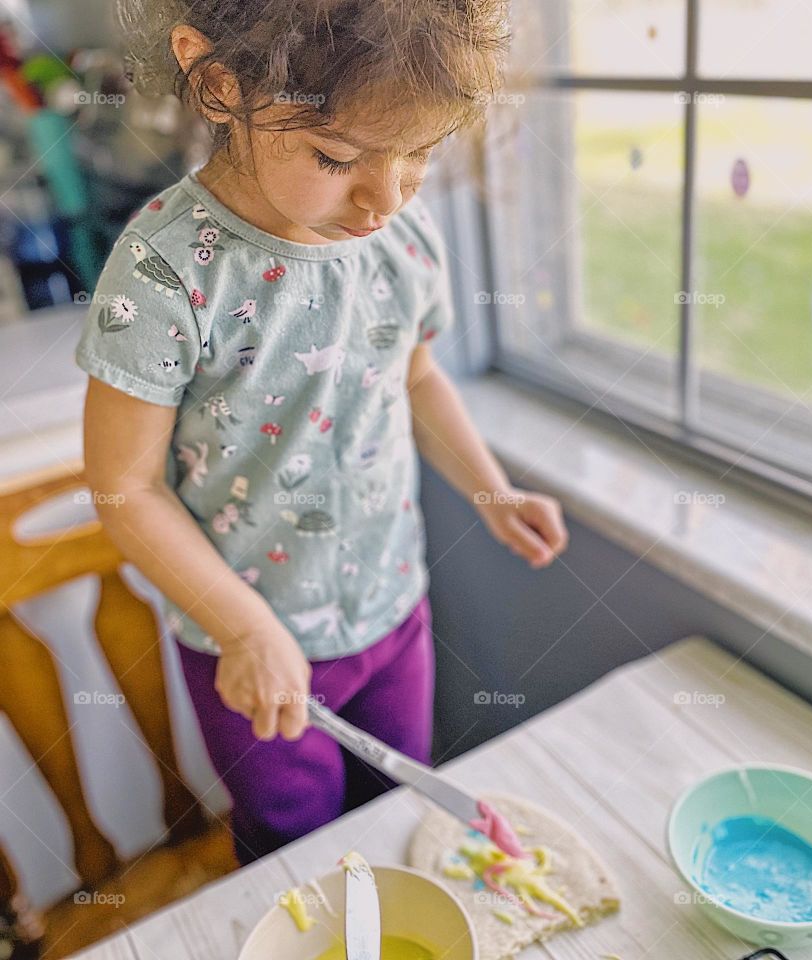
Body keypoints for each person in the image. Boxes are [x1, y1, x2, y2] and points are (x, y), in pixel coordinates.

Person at [75, 0, 568, 865]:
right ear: (220, 84)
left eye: (419, 154)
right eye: (337, 157)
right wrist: (245, 630)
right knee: (296, 853)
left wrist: (493, 491)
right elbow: (127, 490)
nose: (386, 198)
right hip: (256, 646)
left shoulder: (397, 229)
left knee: (399, 819)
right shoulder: (161, 274)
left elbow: (412, 373)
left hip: (391, 608)